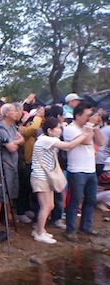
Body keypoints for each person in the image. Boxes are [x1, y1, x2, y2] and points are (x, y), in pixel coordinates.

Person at [30, 117, 91, 244]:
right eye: (57, 128)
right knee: (45, 206)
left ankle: (40, 229)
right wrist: (84, 134)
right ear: (49, 130)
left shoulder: (48, 139)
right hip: (40, 177)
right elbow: (69, 146)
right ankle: (39, 233)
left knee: (50, 205)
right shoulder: (46, 140)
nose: (60, 130)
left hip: (46, 177)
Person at [63, 103, 104, 241]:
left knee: (91, 200)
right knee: (75, 200)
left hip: (90, 169)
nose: (89, 118)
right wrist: (90, 125)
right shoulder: (70, 129)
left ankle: (86, 227)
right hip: (77, 170)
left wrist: (96, 127)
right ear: (78, 115)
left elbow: (101, 142)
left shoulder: (89, 127)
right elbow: (86, 141)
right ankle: (70, 230)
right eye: (87, 115)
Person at [0, 103, 24, 232]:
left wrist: (14, 142)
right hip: (4, 164)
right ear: (6, 113)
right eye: (14, 111)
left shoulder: (12, 127)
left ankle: (7, 217)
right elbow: (11, 148)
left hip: (13, 164)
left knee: (11, 192)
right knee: (1, 194)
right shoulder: (1, 128)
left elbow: (21, 140)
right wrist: (14, 142)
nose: (16, 113)